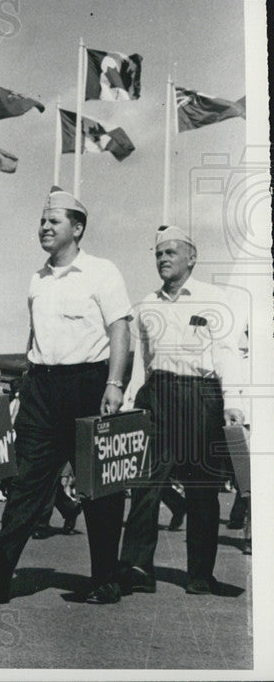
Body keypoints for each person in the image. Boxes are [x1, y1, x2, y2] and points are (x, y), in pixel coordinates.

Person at [0, 186, 131, 605]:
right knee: (25, 483)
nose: (45, 227)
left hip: (88, 385)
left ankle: (105, 579)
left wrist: (114, 384)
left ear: (78, 228)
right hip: (42, 388)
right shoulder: (37, 278)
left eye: (54, 221)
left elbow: (120, 329)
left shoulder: (102, 271)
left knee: (98, 487)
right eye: (41, 221)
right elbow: (37, 335)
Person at [117, 226, 246, 595]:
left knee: (201, 488)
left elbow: (226, 352)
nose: (163, 259)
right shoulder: (145, 305)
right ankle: (138, 567)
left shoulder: (214, 299)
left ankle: (201, 574)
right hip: (155, 395)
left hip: (199, 397)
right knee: (144, 483)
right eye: (158, 254)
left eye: (171, 252)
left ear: (192, 257)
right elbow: (141, 361)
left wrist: (232, 401)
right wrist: (129, 403)